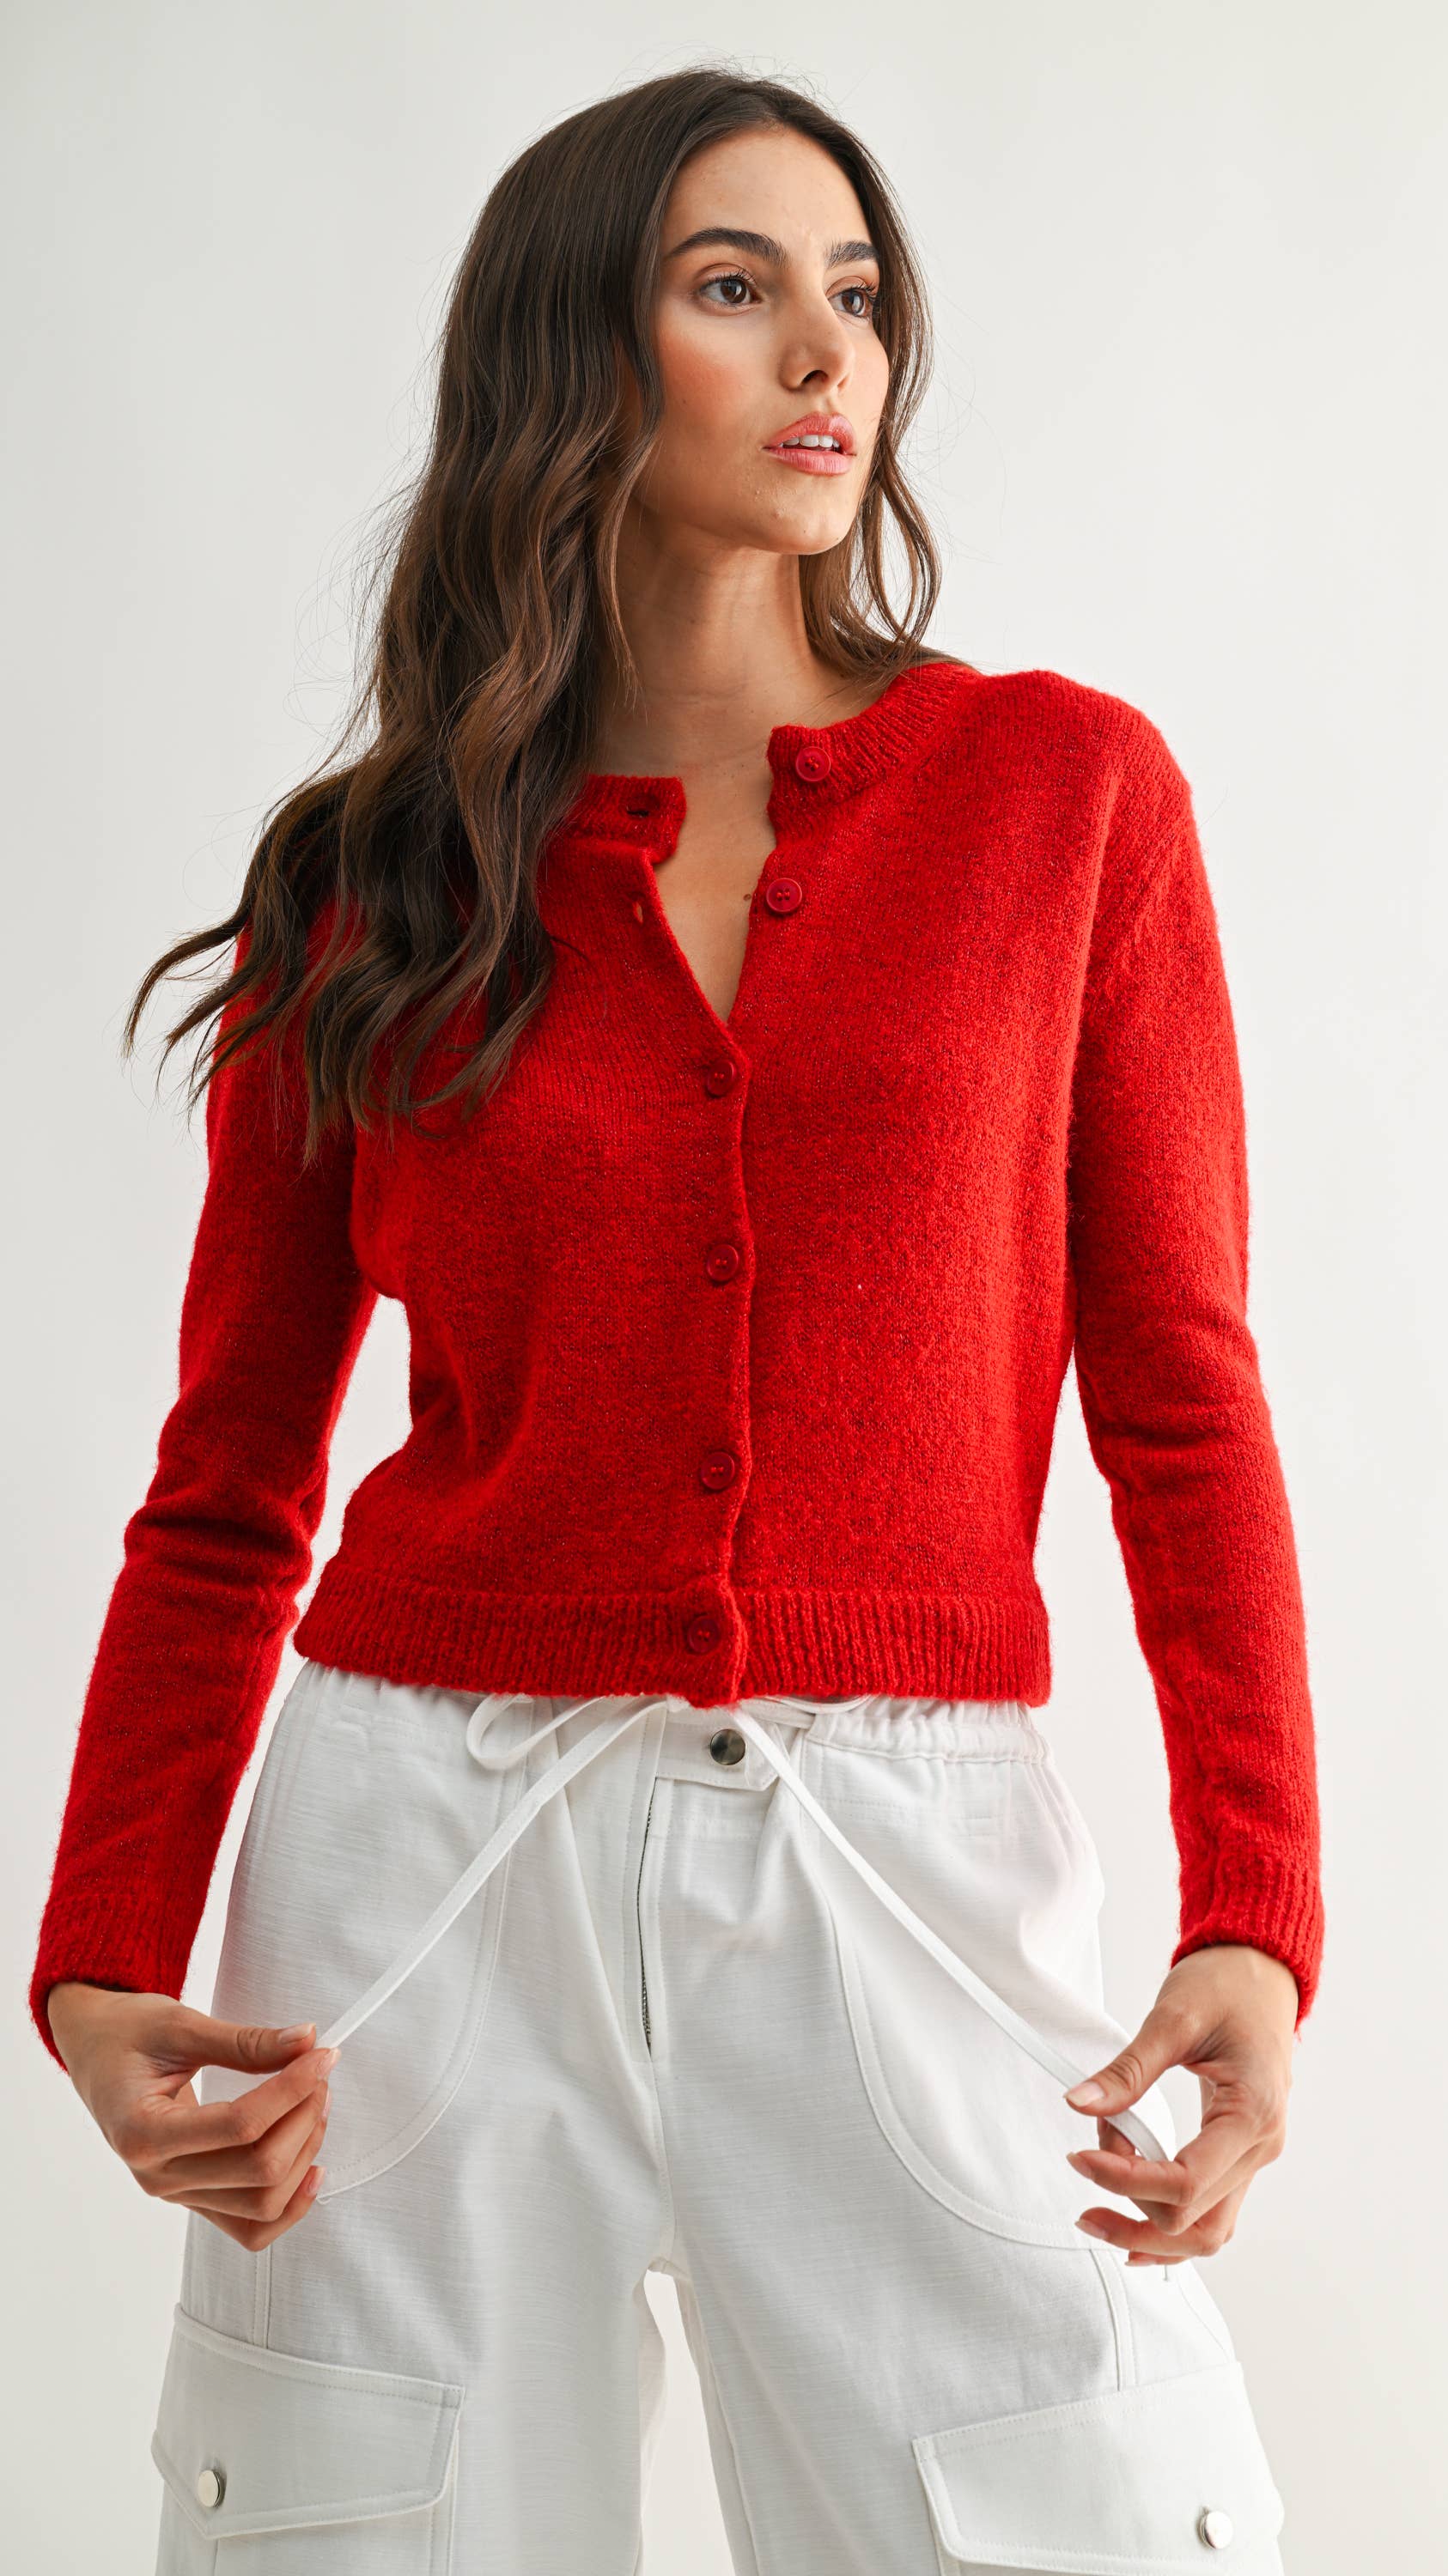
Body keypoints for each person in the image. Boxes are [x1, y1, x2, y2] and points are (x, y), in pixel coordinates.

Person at [31, 65, 1324, 2575]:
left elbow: (1182, 1393)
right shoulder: (379, 878)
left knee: (1083, 2505)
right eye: (736, 288)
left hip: (898, 1852)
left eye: (858, 293)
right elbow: (231, 1477)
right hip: (417, 1882)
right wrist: (99, 1949)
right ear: (574, 356)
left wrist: (1254, 1905)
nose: (829, 352)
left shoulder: (1062, 801)